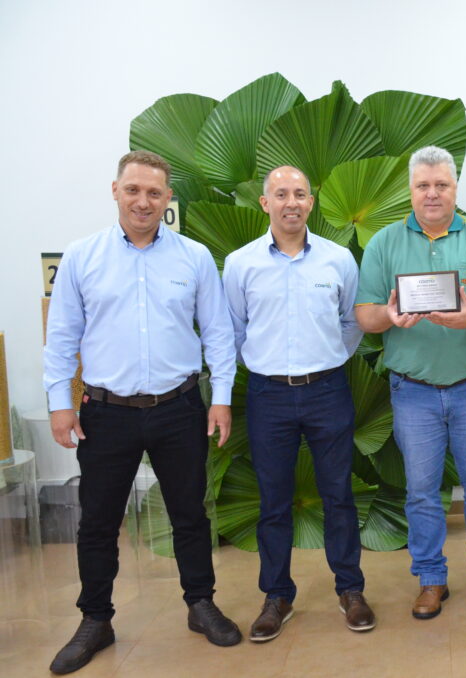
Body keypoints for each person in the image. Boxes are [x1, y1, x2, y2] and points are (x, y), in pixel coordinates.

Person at [43, 150, 241, 674]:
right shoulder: (83, 257)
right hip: (106, 412)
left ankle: (200, 603)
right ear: (115, 191)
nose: (143, 201)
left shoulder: (193, 258)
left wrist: (220, 397)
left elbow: (218, 334)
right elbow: (61, 337)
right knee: (99, 521)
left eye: (154, 192)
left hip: (179, 408)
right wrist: (60, 405)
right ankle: (96, 619)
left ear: (167, 199)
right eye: (133, 190)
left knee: (189, 514)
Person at [355, 146, 466, 619]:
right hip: (413, 392)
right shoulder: (385, 243)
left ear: (454, 188)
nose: (432, 193)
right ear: (411, 189)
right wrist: (386, 316)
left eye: (441, 185)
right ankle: (430, 579)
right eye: (423, 185)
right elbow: (365, 315)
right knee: (422, 491)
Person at [221, 166, 374, 641]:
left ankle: (350, 590)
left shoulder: (338, 260)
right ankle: (277, 597)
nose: (292, 202)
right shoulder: (241, 263)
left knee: (338, 496)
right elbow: (235, 330)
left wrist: (323, 361)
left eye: (300, 194)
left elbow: (352, 324)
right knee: (273, 502)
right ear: (264, 203)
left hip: (328, 390)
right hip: (268, 394)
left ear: (312, 202)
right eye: (281, 194)